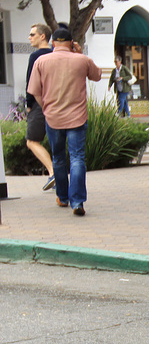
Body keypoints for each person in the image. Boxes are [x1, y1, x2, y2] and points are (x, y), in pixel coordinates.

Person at [27, 23, 102, 217]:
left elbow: (34, 91)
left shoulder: (41, 61)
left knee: (58, 158)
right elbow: (97, 75)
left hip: (53, 117)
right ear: (71, 42)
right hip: (77, 117)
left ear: (52, 42)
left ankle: (62, 196)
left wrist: (45, 107)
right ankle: (77, 201)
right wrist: (79, 52)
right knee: (77, 158)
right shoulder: (81, 60)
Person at [25, 23, 55, 191]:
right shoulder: (55, 54)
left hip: (39, 103)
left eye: (32, 34)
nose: (29, 37)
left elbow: (31, 83)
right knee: (55, 141)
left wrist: (29, 105)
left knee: (32, 141)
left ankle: (53, 173)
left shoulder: (35, 56)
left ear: (42, 36)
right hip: (58, 102)